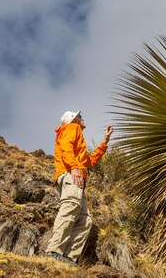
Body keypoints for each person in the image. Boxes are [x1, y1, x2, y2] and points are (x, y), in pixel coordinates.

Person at [45, 110, 113, 266]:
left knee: (85, 220)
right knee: (70, 208)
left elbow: (89, 161)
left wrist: (105, 142)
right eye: (79, 116)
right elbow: (65, 147)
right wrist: (74, 167)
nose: (82, 118)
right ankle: (54, 251)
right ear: (72, 119)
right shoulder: (72, 128)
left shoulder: (77, 135)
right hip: (71, 174)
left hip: (75, 176)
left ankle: (68, 258)